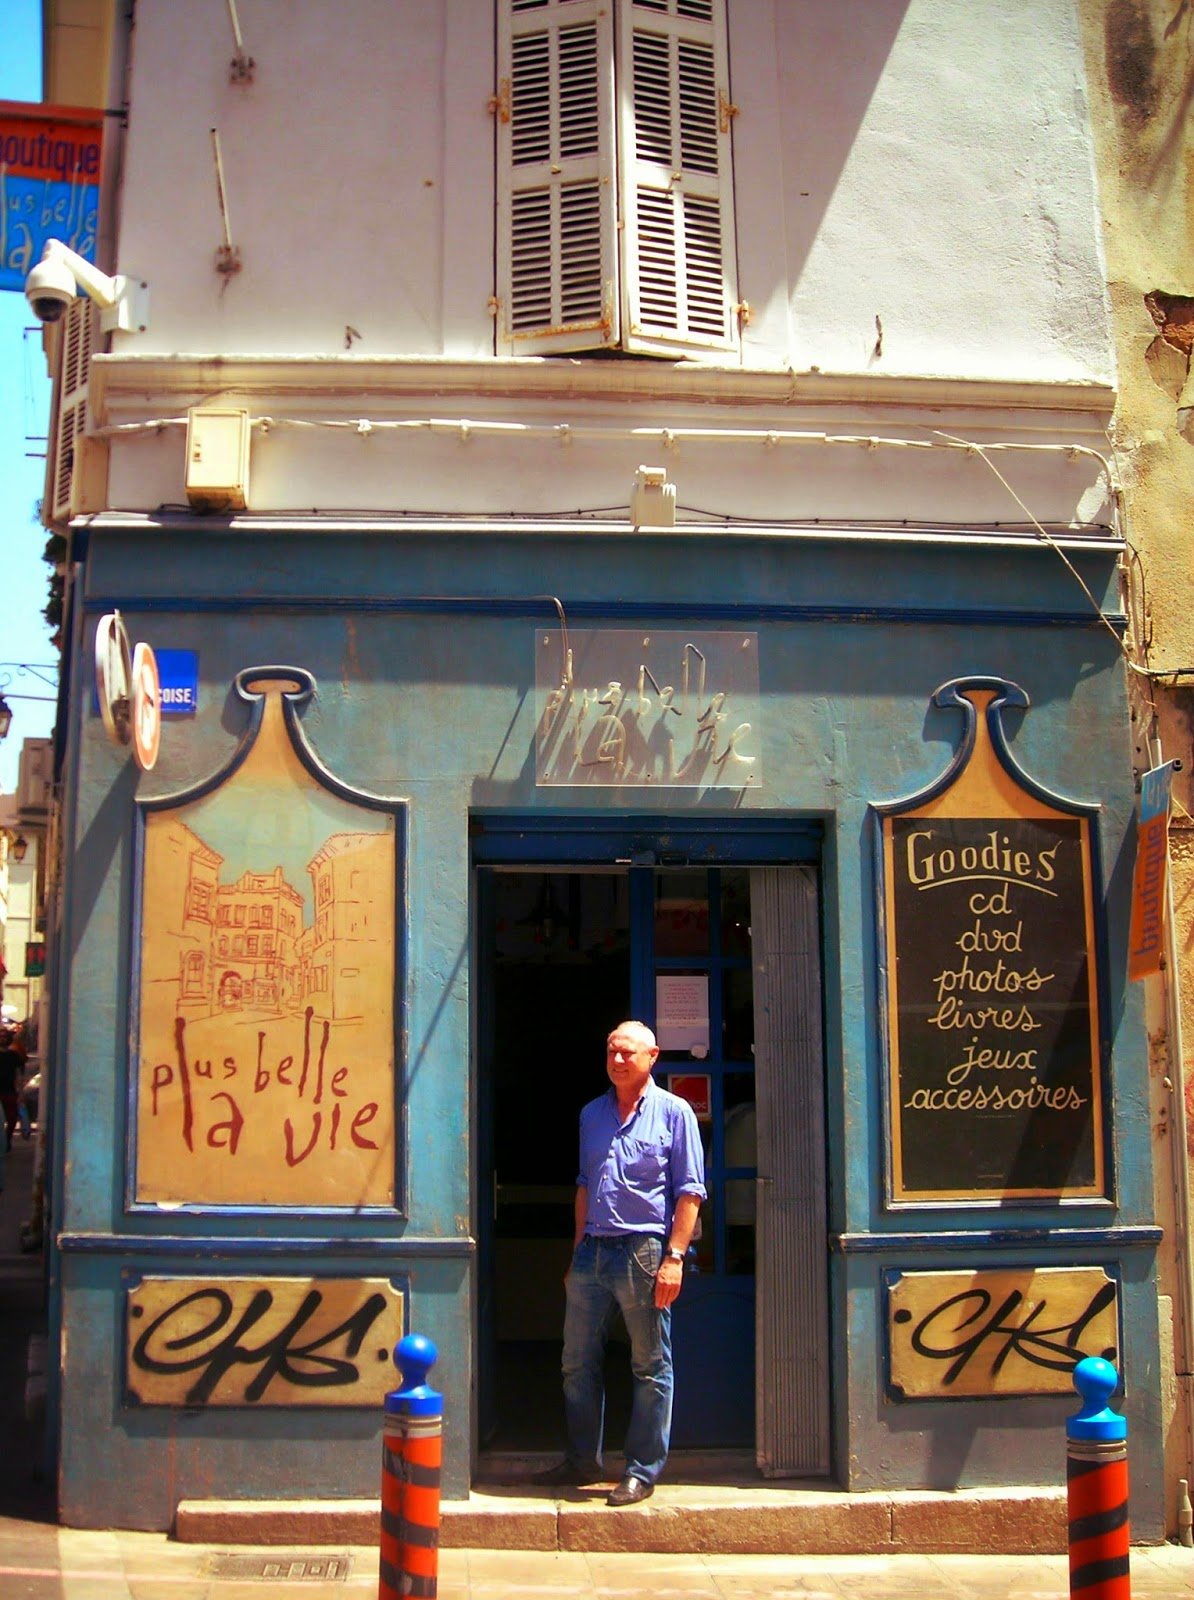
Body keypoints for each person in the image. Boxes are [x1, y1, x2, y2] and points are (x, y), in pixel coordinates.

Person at [536, 1020, 706, 1507]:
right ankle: (582, 1459)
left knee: (650, 1364)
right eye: (611, 1051)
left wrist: (674, 1257)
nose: (616, 1061)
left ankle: (641, 1470)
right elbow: (585, 1186)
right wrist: (576, 1255)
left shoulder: (674, 1113)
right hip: (593, 1250)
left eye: (627, 1053)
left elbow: (690, 1192)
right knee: (575, 1362)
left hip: (645, 1252)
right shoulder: (592, 1114)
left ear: (652, 1056)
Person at [0, 1030, 23, 1153]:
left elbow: (19, 1074)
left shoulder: (14, 1055)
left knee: (12, 1119)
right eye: (1, 1037)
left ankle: (7, 1140)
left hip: (10, 1091)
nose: (2, 1039)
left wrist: (20, 1092)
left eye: (5, 1037)